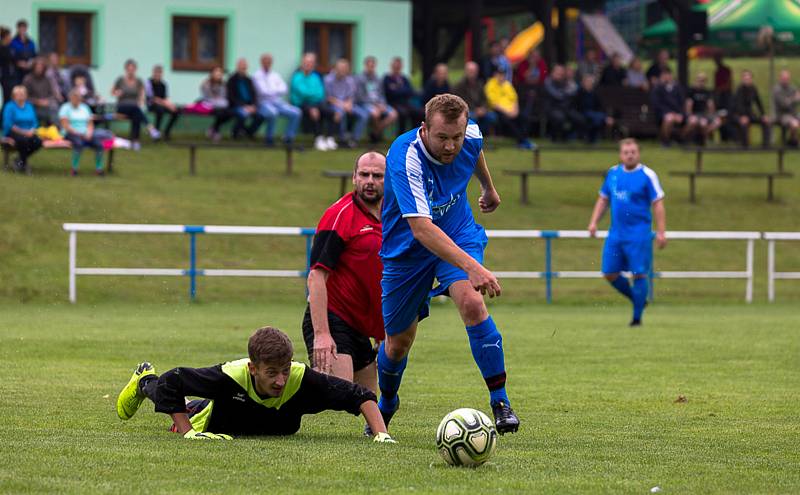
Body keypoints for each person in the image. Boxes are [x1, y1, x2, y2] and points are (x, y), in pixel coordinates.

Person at [377, 93, 520, 434]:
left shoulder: (469, 134)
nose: (450, 146)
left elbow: (475, 150)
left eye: (456, 137)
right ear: (424, 128)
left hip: (456, 230)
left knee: (472, 302)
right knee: (398, 343)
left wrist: (488, 188)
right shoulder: (405, 156)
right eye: (442, 137)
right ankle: (387, 403)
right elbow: (422, 229)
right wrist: (473, 266)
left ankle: (500, 401)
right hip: (408, 249)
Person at [115, 326, 396, 443]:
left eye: (284, 371)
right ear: (253, 369)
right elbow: (173, 380)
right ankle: (144, 381)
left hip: (235, 416)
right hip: (206, 418)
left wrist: (381, 435)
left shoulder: (301, 381)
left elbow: (361, 396)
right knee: (181, 403)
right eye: (271, 373)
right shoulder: (231, 376)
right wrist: (189, 433)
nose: (280, 380)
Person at [304, 152, 385, 409]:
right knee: (336, 395)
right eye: (364, 175)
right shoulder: (339, 215)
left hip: (361, 327)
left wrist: (383, 331)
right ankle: (275, 384)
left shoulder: (396, 218)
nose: (369, 181)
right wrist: (322, 335)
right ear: (354, 178)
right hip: (333, 318)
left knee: (367, 401)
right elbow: (316, 275)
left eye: (377, 175)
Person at [587, 138, 666, 326]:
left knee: (639, 274)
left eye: (633, 152)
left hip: (638, 234)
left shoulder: (647, 175)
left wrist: (661, 232)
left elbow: (658, 204)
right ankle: (638, 300)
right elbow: (603, 199)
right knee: (609, 272)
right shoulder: (613, 174)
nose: (630, 155)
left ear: (638, 154)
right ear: (620, 155)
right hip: (616, 234)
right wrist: (593, 222)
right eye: (626, 152)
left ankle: (637, 318)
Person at [59, 88, 113, 176]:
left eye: (78, 98)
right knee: (78, 143)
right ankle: (74, 168)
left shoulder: (85, 107)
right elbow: (65, 125)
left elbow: (90, 123)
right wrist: (78, 133)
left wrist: (89, 132)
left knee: (99, 144)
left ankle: (99, 168)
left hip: (85, 133)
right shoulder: (65, 108)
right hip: (70, 133)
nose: (76, 99)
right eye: (74, 97)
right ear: (70, 98)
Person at [253, 53, 302, 147]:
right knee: (273, 113)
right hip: (263, 104)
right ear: (261, 62)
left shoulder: (275, 75)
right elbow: (262, 92)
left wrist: (272, 91)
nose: (267, 63)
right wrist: (276, 90)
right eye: (265, 62)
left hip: (277, 102)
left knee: (296, 112)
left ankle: (288, 138)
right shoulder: (257, 75)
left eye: (269, 62)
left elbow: (285, 88)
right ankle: (269, 139)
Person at [111, 59, 160, 150]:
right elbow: (112, 92)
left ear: (135, 69)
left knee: (136, 113)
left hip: (134, 108)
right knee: (136, 109)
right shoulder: (120, 80)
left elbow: (142, 94)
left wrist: (141, 101)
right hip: (122, 106)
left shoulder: (139, 81)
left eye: (132, 69)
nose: (131, 71)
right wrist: (117, 93)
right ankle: (149, 129)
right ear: (126, 69)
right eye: (129, 69)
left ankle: (134, 142)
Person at [484, 65, 535, 149]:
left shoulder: (507, 84)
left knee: (524, 118)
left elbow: (514, 98)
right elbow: (493, 103)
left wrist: (516, 110)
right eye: (499, 74)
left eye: (503, 74)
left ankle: (523, 140)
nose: (501, 76)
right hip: (499, 110)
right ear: (495, 74)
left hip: (512, 110)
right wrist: (507, 112)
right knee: (508, 121)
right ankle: (523, 141)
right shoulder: (490, 85)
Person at [290, 52, 333, 151]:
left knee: (331, 112)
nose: (308, 65)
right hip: (301, 103)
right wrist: (312, 95)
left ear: (313, 64)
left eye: (311, 63)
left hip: (316, 102)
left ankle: (329, 138)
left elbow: (320, 93)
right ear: (302, 63)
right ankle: (318, 139)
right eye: (306, 63)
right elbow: (302, 93)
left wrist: (312, 95)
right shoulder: (297, 76)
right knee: (314, 112)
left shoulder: (316, 76)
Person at [325, 58, 368, 148]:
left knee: (363, 114)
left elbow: (351, 96)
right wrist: (342, 105)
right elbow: (328, 98)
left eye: (345, 68)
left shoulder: (350, 80)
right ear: (336, 68)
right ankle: (342, 138)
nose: (343, 70)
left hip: (347, 104)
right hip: (334, 104)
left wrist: (349, 103)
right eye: (341, 68)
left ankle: (354, 139)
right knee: (340, 112)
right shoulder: (328, 79)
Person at [356, 56, 398, 144]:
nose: (371, 68)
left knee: (393, 114)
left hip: (379, 103)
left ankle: (375, 132)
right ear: (365, 66)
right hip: (366, 104)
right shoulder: (360, 78)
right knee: (375, 114)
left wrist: (382, 104)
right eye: (369, 66)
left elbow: (382, 94)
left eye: (373, 66)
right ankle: (376, 135)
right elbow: (360, 97)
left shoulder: (377, 78)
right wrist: (375, 105)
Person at [2, 85, 42, 173]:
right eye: (18, 94)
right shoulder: (9, 106)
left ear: (26, 95)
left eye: (22, 94)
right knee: (24, 141)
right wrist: (23, 132)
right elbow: (8, 124)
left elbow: (35, 122)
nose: (21, 96)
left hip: (29, 132)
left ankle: (19, 160)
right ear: (14, 95)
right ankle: (23, 164)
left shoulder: (29, 106)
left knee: (38, 141)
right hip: (13, 132)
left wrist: (32, 130)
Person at [453, 61, 496, 136]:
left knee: (492, 117)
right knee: (472, 118)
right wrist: (474, 110)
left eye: (474, 71)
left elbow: (484, 99)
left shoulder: (480, 83)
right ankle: (472, 135)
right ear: (466, 71)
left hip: (480, 110)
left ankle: (481, 134)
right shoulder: (459, 85)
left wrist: (483, 108)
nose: (472, 73)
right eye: (470, 71)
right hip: (466, 111)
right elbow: (458, 102)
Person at [383, 57, 423, 136]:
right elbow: (390, 93)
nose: (397, 68)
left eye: (399, 66)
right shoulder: (387, 78)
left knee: (419, 112)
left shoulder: (404, 78)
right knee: (403, 113)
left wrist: (397, 89)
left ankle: (415, 135)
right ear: (392, 66)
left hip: (405, 103)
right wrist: (402, 90)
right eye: (395, 66)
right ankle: (401, 136)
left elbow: (410, 91)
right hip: (393, 103)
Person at [543, 64, 584, 142]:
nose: (560, 74)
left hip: (565, 108)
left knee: (579, 119)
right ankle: (554, 137)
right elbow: (557, 95)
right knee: (560, 118)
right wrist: (567, 93)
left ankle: (567, 136)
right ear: (553, 72)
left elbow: (574, 91)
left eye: (561, 72)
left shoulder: (565, 82)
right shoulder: (548, 82)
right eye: (557, 72)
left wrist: (567, 92)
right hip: (552, 108)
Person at [226, 58, 264, 140]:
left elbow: (254, 95)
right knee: (243, 114)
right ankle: (235, 134)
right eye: (241, 66)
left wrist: (253, 105)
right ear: (237, 67)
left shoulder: (249, 80)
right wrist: (244, 106)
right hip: (236, 106)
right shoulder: (231, 80)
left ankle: (249, 133)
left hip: (250, 105)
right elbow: (231, 97)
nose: (243, 68)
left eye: (245, 67)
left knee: (261, 116)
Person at [732, 69, 770, 148]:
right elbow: (738, 105)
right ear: (742, 79)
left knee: (765, 122)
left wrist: (763, 115)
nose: (747, 80)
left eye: (748, 78)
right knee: (744, 123)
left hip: (750, 114)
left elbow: (758, 102)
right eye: (745, 78)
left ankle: (766, 145)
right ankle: (745, 145)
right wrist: (742, 116)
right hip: (738, 114)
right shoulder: (739, 90)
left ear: (751, 79)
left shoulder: (753, 89)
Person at [145, 65, 180, 141]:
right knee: (159, 110)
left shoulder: (163, 84)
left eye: (159, 73)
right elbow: (152, 98)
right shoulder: (148, 83)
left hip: (162, 104)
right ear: (153, 73)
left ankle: (166, 132)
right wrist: (166, 104)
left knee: (176, 111)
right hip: (151, 105)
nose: (158, 74)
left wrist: (171, 105)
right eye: (156, 72)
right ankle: (156, 133)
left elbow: (165, 98)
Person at [650, 68, 684, 146]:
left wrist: (678, 113)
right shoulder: (657, 88)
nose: (667, 77)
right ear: (661, 77)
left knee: (691, 120)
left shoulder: (677, 88)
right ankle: (665, 140)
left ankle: (681, 139)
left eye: (668, 75)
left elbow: (681, 102)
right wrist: (669, 113)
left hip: (677, 113)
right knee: (669, 118)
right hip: (662, 113)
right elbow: (656, 104)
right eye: (664, 75)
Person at [684, 72, 720, 145]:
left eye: (703, 80)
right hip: (695, 113)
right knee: (699, 122)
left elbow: (710, 104)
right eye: (699, 80)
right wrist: (689, 115)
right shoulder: (691, 91)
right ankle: (684, 138)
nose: (701, 82)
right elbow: (689, 104)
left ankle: (702, 138)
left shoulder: (707, 92)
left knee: (717, 122)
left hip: (704, 114)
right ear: (696, 80)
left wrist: (712, 115)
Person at [200, 65, 233, 142]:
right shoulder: (206, 84)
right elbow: (207, 97)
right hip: (209, 105)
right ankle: (216, 132)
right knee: (220, 113)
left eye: (220, 73)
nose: (218, 74)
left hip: (221, 105)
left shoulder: (223, 84)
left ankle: (213, 128)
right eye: (216, 72)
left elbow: (224, 96)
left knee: (230, 113)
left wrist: (220, 100)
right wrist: (217, 99)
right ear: (212, 74)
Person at [576, 74, 614, 144]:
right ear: (583, 83)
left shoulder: (594, 93)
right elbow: (579, 106)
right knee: (597, 118)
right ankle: (605, 119)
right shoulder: (580, 93)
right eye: (587, 82)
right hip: (584, 112)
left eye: (590, 82)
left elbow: (599, 105)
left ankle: (592, 138)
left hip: (594, 113)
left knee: (597, 120)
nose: (589, 84)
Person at [22, 57, 57, 125]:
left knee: (54, 108)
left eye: (41, 67)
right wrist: (38, 102)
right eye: (37, 67)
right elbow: (24, 96)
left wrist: (47, 101)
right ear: (33, 67)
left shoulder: (47, 79)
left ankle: (55, 129)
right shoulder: (28, 79)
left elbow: (53, 94)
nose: (39, 69)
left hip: (46, 104)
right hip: (32, 104)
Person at [772, 69, 800, 146]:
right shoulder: (776, 90)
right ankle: (793, 141)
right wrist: (794, 98)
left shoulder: (792, 88)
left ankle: (792, 141)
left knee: (795, 120)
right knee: (794, 123)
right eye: (784, 78)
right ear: (780, 78)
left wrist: (793, 99)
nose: (785, 80)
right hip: (781, 115)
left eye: (787, 78)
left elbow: (797, 98)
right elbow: (783, 104)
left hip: (793, 114)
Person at [9, 20, 36, 85]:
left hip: (29, 70)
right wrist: (18, 63)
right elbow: (11, 56)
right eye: (21, 28)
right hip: (17, 72)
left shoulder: (31, 42)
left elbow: (34, 55)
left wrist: (30, 63)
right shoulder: (13, 42)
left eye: (24, 28)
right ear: (18, 29)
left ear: (26, 29)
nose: (22, 29)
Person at [0, 27, 14, 109]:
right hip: (4, 77)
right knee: (5, 99)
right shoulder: (2, 49)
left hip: (8, 77)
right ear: (5, 37)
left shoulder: (9, 48)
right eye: (9, 36)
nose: (11, 38)